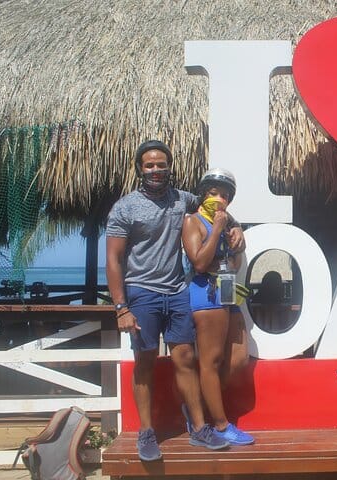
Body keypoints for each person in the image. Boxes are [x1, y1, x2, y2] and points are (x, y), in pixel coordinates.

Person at [106, 140, 244, 461]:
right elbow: (113, 259)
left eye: (161, 165)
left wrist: (237, 228)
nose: (156, 170)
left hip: (177, 292)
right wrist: (121, 307)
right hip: (142, 292)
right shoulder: (125, 208)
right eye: (149, 165)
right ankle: (146, 432)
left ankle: (199, 429)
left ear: (169, 168)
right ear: (140, 169)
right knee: (145, 361)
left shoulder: (183, 199)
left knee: (185, 358)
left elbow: (215, 205)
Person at [181, 168, 255, 445]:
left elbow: (233, 265)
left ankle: (198, 407)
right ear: (203, 194)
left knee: (238, 359)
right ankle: (221, 425)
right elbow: (200, 262)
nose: (219, 199)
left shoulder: (228, 225)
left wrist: (237, 244)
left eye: (224, 195)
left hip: (227, 292)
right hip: (205, 294)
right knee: (210, 361)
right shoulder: (193, 221)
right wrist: (217, 230)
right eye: (213, 193)